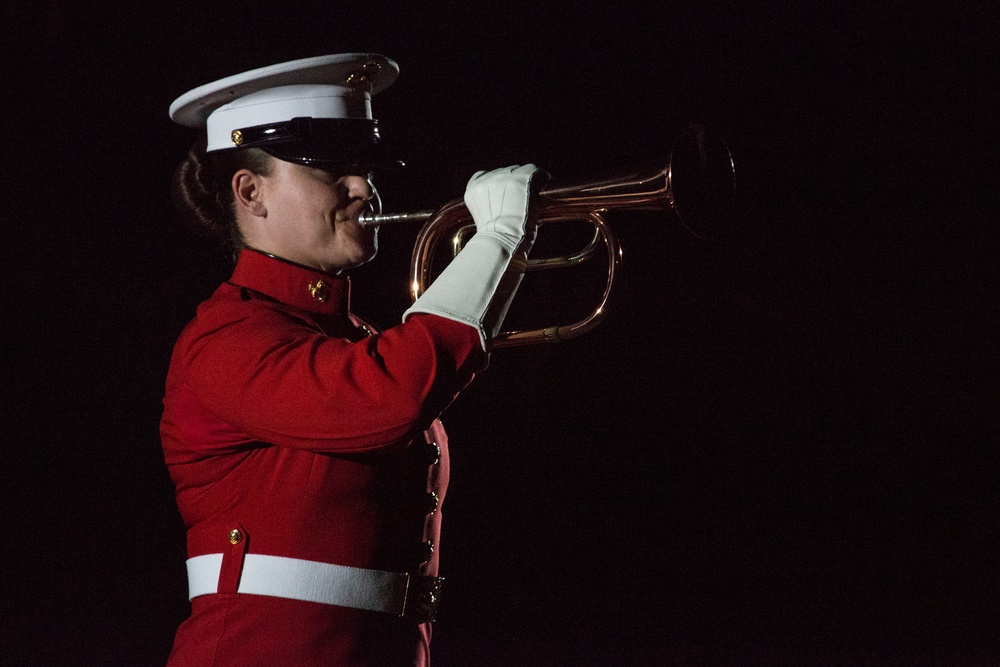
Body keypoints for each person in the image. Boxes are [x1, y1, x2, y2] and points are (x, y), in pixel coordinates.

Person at [161, 53, 542, 666]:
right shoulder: (225, 338)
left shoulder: (355, 337)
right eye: (330, 170)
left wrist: (498, 257)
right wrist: (495, 242)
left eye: (362, 168)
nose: (363, 186)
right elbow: (390, 394)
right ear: (250, 191)